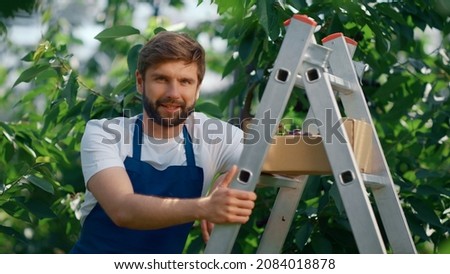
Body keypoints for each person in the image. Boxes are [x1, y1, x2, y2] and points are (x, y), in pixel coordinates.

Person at [70, 31, 257, 254]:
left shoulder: (210, 135)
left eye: (185, 81)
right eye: (161, 79)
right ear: (140, 82)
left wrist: (232, 178)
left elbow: (267, 159)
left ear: (197, 89)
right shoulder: (105, 133)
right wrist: (205, 207)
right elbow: (123, 210)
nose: (173, 93)